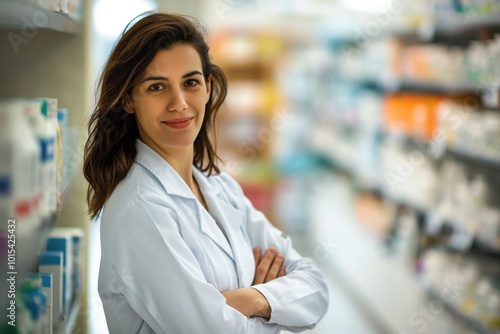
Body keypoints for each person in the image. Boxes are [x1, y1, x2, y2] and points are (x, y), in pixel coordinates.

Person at [83, 12, 329, 334]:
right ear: (129, 99)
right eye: (157, 86)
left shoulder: (220, 188)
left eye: (191, 82)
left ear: (208, 86)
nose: (180, 103)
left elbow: (315, 288)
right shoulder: (141, 209)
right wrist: (276, 308)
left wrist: (252, 299)